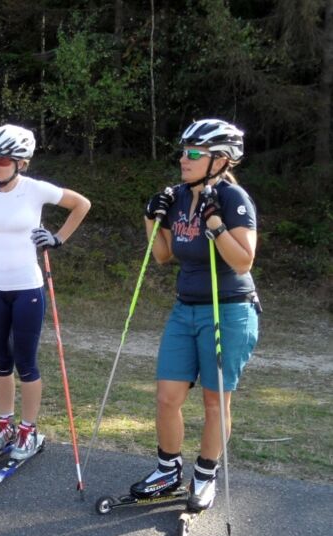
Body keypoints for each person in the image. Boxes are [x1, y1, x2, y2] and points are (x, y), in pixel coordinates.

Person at [130, 119, 259, 512]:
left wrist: (215, 224)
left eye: (195, 153)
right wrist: (152, 217)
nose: (184, 159)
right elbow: (164, 255)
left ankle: (205, 476)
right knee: (167, 396)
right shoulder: (179, 196)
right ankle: (168, 470)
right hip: (185, 310)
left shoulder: (234, 198)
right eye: (184, 151)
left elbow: (243, 261)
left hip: (229, 311)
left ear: (220, 159)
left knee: (214, 402)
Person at [0, 124, 91, 461]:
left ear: (21, 162)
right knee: (1, 362)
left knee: (25, 362)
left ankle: (28, 429)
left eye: (2, 159)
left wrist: (58, 238)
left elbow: (82, 204)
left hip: (27, 287)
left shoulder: (35, 190)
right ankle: (5, 424)